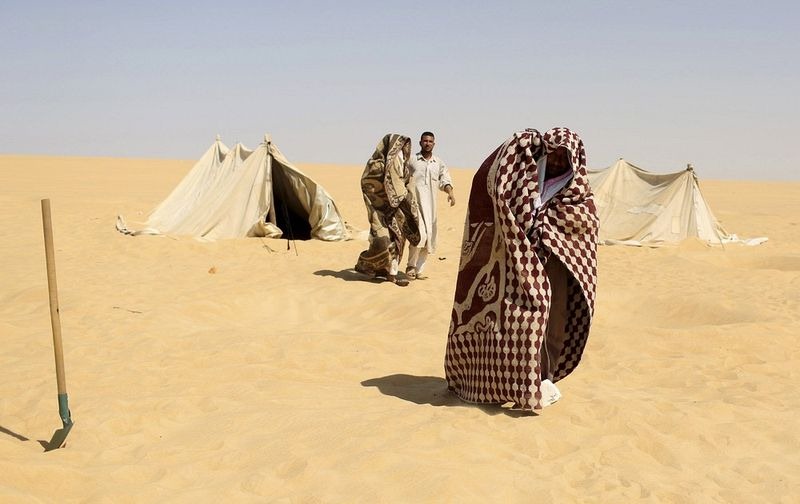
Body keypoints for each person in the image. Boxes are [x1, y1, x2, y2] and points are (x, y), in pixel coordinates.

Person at [444, 127, 598, 411]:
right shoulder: (525, 186)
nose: (556, 162)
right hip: (518, 267)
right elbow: (495, 190)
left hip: (556, 268)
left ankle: (542, 378)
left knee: (551, 320)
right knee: (520, 322)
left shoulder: (579, 197)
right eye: (552, 155)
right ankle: (512, 380)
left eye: (563, 158)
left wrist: (549, 235)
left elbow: (583, 232)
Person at [355, 134, 421, 286]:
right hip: (380, 212)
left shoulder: (402, 164)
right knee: (382, 241)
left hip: (397, 211)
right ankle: (373, 268)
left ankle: (391, 274)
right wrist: (389, 196)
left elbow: (404, 182)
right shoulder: (375, 166)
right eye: (400, 146)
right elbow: (368, 183)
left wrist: (405, 195)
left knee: (397, 240)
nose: (403, 150)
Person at [404, 131, 455, 280]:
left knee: (429, 239)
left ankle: (419, 270)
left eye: (430, 141)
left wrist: (450, 193)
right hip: (415, 205)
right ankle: (410, 266)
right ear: (420, 143)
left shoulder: (438, 163)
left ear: (434, 144)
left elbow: (444, 180)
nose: (427, 143)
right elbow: (402, 176)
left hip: (431, 208)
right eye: (425, 141)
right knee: (420, 235)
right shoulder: (412, 160)